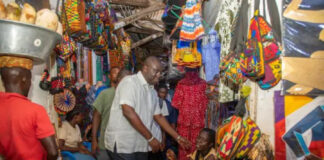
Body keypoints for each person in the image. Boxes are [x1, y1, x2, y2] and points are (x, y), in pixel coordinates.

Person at [105, 56, 191, 160]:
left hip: (140, 145)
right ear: (145, 68)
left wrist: (177, 137)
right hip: (124, 145)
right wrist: (150, 138)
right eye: (156, 71)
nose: (158, 75)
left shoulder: (152, 92)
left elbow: (158, 116)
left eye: (160, 72)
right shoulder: (130, 82)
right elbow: (127, 111)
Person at [0, 56, 58, 160]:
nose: (30, 84)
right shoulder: (36, 111)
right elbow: (53, 153)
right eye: (30, 80)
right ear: (24, 79)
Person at [91, 69, 131, 159]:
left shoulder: (132, 96)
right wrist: (94, 139)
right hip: (104, 144)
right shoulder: (105, 94)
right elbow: (96, 116)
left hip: (125, 145)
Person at [157, 84, 179, 160]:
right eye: (161, 92)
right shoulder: (153, 103)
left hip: (167, 136)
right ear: (157, 92)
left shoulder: (170, 106)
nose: (162, 94)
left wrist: (173, 137)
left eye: (164, 93)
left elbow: (173, 122)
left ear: (167, 94)